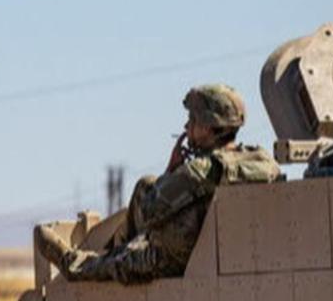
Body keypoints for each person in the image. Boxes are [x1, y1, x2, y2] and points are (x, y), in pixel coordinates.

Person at [35, 83, 279, 284]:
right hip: (211, 252)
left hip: (172, 258)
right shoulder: (260, 159)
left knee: (118, 262)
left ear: (207, 127)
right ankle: (118, 249)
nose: (187, 127)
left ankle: (73, 264)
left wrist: (171, 170)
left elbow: (150, 210)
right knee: (146, 186)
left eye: (192, 120)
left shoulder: (197, 171)